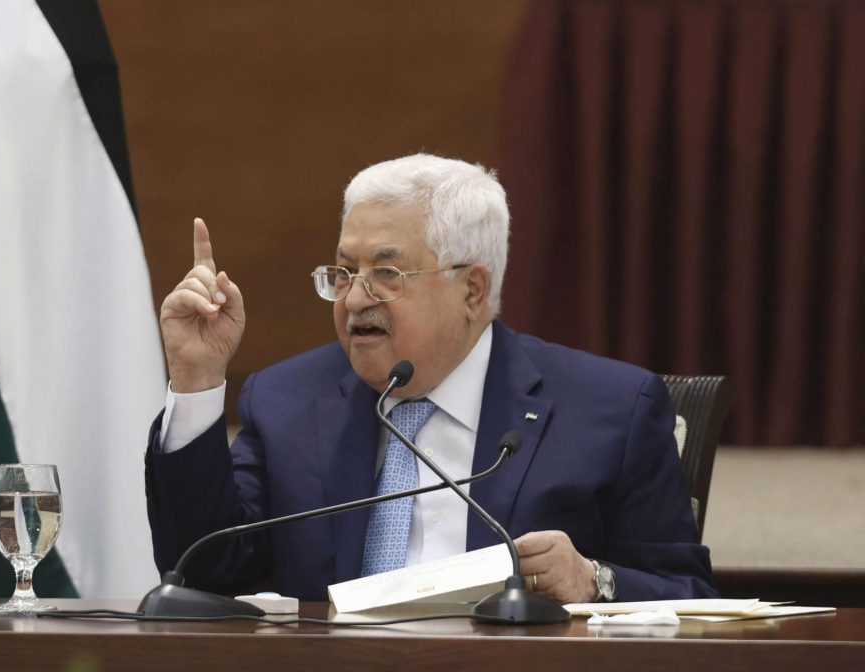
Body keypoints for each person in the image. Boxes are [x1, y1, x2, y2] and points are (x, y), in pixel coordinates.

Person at [145, 154, 716, 603]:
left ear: (472, 290)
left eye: (386, 272)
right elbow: (203, 570)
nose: (355, 299)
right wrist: (197, 380)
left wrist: (593, 581)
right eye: (344, 271)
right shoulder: (287, 401)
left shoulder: (611, 410)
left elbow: (689, 597)